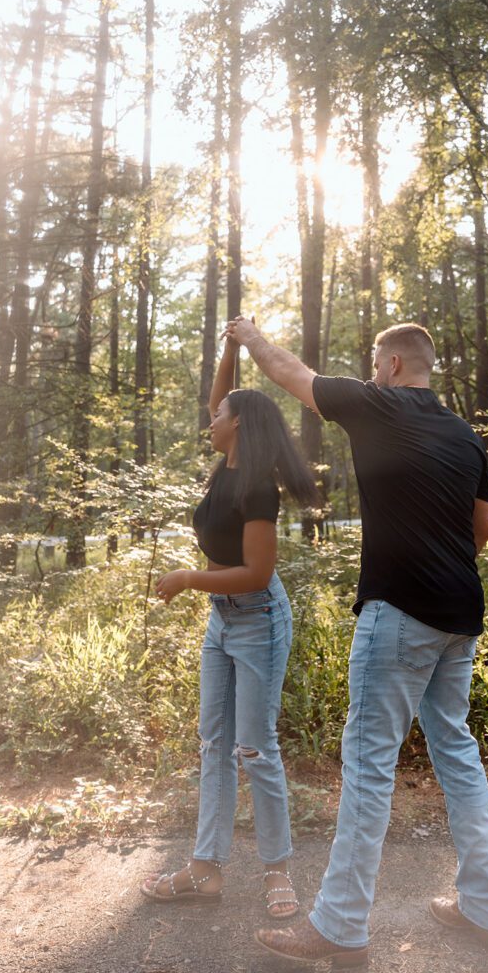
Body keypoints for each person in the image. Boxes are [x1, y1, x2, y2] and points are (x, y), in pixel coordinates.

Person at [225, 317, 488, 965]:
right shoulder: (466, 438)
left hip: (399, 612)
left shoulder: (374, 404)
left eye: (373, 360)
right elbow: (482, 531)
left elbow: (289, 374)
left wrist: (249, 337)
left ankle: (339, 925)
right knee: (458, 758)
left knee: (368, 766)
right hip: (458, 617)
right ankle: (487, 908)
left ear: (387, 365)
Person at [141, 333, 317, 919]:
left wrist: (189, 578)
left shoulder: (256, 486)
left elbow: (256, 573)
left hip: (259, 619)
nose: (210, 418)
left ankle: (277, 872)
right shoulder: (227, 465)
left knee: (254, 748)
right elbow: (224, 395)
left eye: (219, 414)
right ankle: (205, 869)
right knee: (213, 743)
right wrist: (230, 348)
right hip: (222, 625)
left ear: (237, 425)